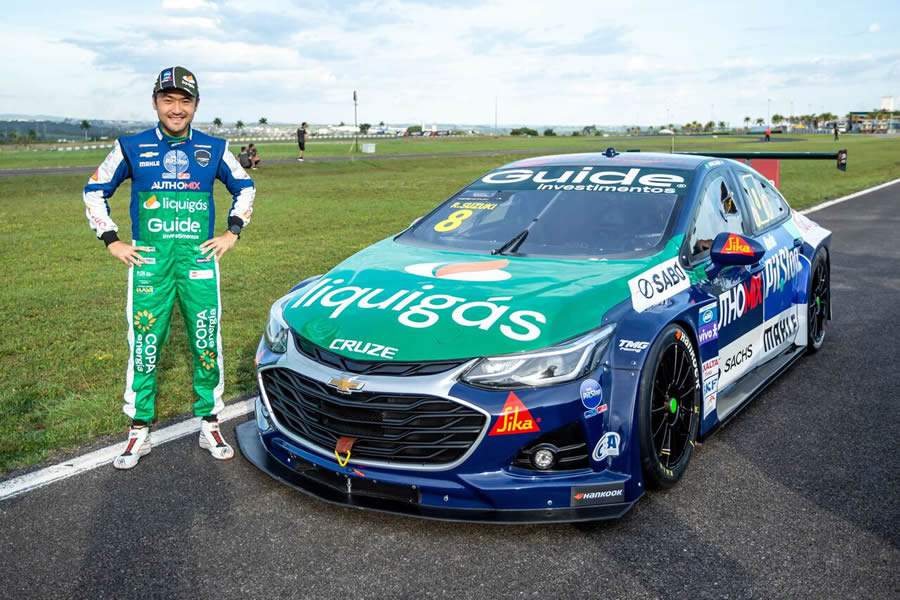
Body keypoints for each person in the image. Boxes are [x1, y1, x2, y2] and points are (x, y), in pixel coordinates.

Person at [82, 66, 256, 470]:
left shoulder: (214, 148)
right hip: (149, 263)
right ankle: (139, 427)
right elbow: (94, 191)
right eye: (168, 99)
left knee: (206, 337)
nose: (176, 109)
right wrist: (112, 240)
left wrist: (232, 232)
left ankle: (209, 420)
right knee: (144, 340)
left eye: (185, 101)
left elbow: (244, 186)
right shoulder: (130, 146)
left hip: (198, 261)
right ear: (155, 102)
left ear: (196, 105)